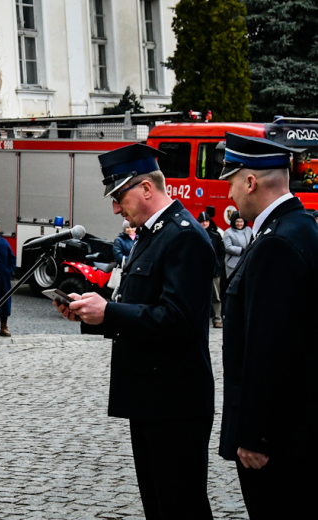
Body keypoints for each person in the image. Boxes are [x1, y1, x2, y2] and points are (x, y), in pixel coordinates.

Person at [56, 143, 215, 519]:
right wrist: (90, 314)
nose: (114, 208)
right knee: (159, 507)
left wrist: (108, 312)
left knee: (181, 506)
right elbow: (139, 306)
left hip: (175, 401)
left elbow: (176, 320)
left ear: (146, 188)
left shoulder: (184, 236)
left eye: (118, 196)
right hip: (150, 397)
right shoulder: (150, 234)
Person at [217, 134, 318, 518]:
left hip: (281, 436)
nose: (229, 194)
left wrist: (255, 434)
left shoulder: (277, 242)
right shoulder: (300, 227)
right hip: (297, 426)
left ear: (250, 182)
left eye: (231, 181)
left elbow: (270, 348)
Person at [197, 212, 224, 328]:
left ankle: (217, 318)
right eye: (202, 222)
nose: (204, 223)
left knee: (216, 296)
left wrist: (218, 264)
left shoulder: (216, 235)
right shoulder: (195, 234)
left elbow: (222, 252)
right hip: (199, 270)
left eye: (206, 221)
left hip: (214, 270)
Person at [222, 211, 252, 278]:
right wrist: (241, 250)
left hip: (246, 262)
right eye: (237, 221)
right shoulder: (228, 232)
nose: (239, 224)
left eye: (241, 221)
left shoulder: (249, 230)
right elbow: (228, 247)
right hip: (233, 264)